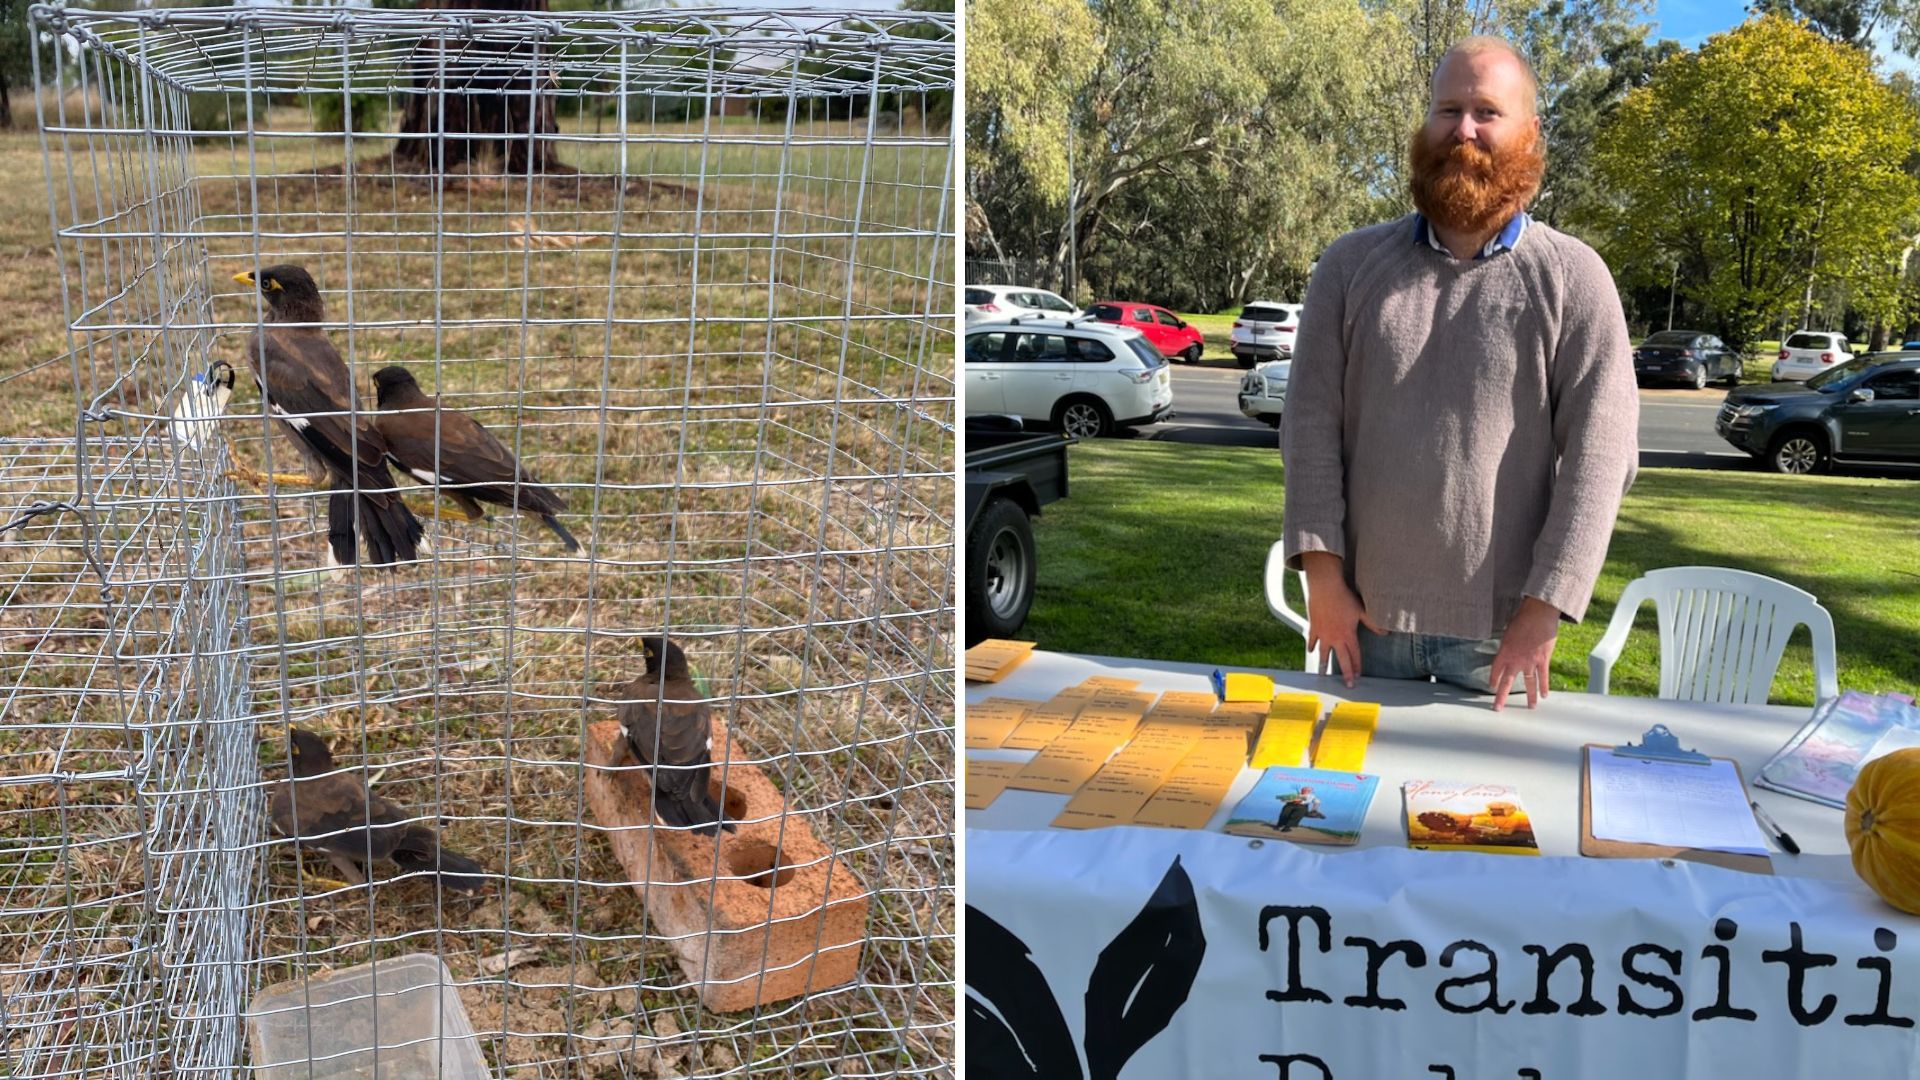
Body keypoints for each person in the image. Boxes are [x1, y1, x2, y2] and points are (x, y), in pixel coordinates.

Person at [1279, 37, 1639, 710]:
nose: (1463, 130)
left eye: (1487, 112)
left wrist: (1545, 609)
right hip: (1365, 621)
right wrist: (1323, 582)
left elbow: (1602, 454)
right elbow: (1309, 430)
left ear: (1530, 131)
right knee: (1358, 779)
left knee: (1490, 784)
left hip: (1502, 637)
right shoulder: (1349, 267)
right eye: (1448, 110)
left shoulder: (1575, 278)